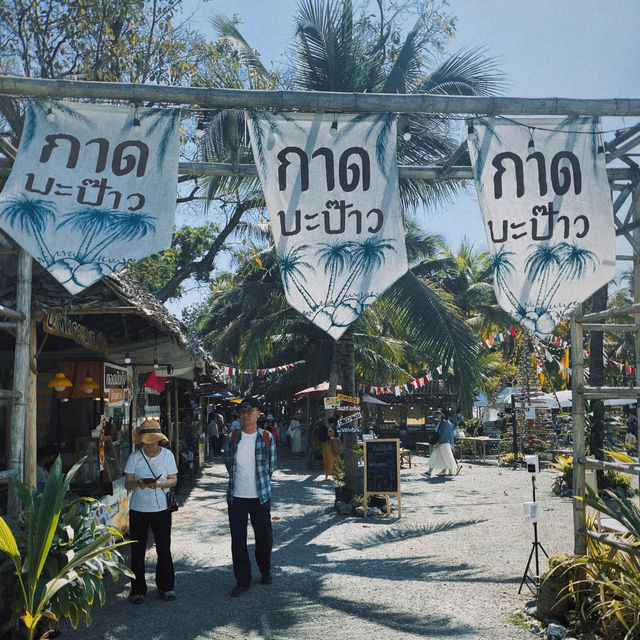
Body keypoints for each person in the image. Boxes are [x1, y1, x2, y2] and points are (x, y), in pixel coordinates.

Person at [224, 396, 277, 597]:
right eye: (242, 411)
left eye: (249, 411)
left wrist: (259, 483)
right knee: (238, 540)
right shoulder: (233, 436)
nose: (245, 415)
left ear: (258, 414)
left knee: (265, 536)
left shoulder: (266, 437)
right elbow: (229, 463)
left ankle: (265, 569)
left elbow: (272, 466)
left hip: (260, 497)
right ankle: (243, 579)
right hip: (236, 496)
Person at [124, 419, 178, 604]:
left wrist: (159, 484)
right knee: (137, 549)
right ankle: (137, 589)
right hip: (138, 508)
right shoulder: (134, 457)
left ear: (159, 440)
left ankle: (166, 587)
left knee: (164, 547)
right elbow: (127, 483)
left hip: (161, 508)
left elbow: (173, 480)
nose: (150, 446)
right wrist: (137, 484)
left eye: (153, 442)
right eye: (147, 443)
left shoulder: (167, 456)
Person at [426, 409, 457, 477]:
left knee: (447, 457)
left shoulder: (445, 423)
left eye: (439, 414)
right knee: (438, 457)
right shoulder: (441, 422)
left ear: (442, 415)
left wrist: (439, 442)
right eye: (437, 414)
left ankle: (451, 472)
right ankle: (431, 472)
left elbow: (445, 434)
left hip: (444, 443)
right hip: (442, 442)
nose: (437, 415)